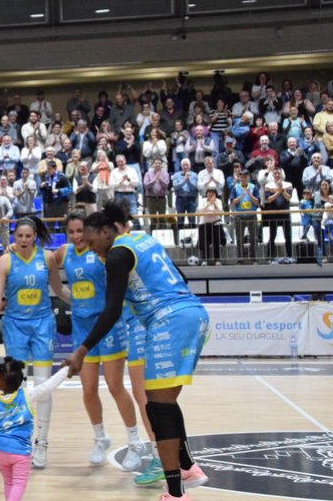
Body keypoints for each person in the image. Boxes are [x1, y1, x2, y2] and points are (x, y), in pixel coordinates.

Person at [62, 202, 211, 501]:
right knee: (164, 401)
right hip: (194, 313)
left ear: (106, 232)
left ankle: (176, 493)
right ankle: (187, 468)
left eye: (91, 242)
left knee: (157, 407)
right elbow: (180, 277)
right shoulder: (143, 239)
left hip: (169, 320)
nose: (91, 249)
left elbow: (111, 310)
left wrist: (81, 350)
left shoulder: (117, 255)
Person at [53, 213, 148, 470]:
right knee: (88, 389)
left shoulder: (102, 251)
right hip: (81, 327)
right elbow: (44, 263)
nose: (76, 236)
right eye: (71, 231)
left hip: (108, 324)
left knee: (116, 386)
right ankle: (100, 438)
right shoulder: (63, 252)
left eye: (80, 231)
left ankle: (135, 442)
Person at [0, 216, 67, 468]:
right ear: (13, 237)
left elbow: (59, 289)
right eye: (20, 236)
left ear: (35, 236)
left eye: (28, 236)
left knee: (43, 384)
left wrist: (86, 306)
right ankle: (20, 440)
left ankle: (42, 442)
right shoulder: (4, 261)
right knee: (16, 388)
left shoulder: (47, 258)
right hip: (15, 325)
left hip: (42, 324)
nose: (24, 240)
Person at [0, 357, 69, 501]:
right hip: (20, 452)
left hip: (0, 452)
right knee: (19, 483)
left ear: (0, 381)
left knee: (8, 483)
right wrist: (66, 369)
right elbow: (48, 386)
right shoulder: (26, 395)